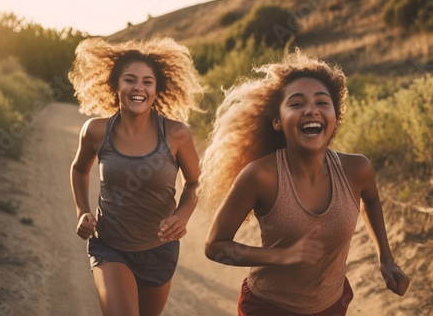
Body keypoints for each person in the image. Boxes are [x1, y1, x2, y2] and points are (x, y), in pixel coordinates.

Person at [199, 50, 410, 315]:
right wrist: (281, 257)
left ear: (336, 115)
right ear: (277, 120)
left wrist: (386, 259)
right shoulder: (260, 176)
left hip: (331, 305)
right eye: (296, 104)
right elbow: (215, 246)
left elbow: (371, 199)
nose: (311, 110)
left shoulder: (357, 169)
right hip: (267, 307)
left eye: (322, 102)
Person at [69, 37, 202, 316]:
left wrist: (181, 216)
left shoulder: (176, 134)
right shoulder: (95, 131)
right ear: (116, 86)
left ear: (156, 91)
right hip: (109, 247)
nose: (138, 87)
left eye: (147, 82)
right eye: (129, 80)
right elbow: (79, 169)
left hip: (159, 251)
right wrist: (82, 211)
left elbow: (194, 183)